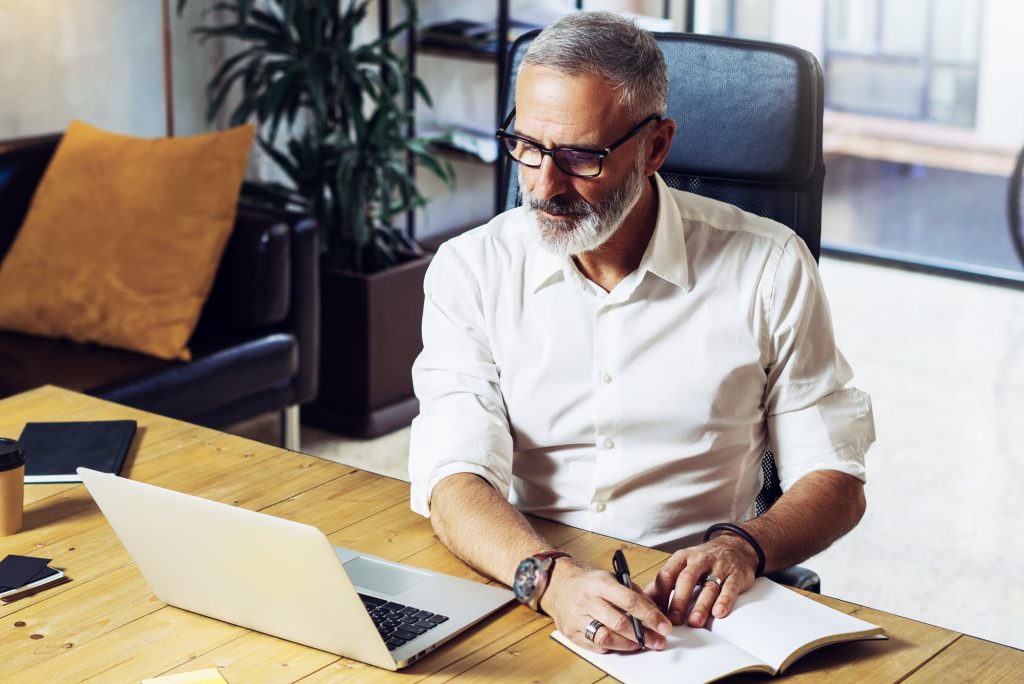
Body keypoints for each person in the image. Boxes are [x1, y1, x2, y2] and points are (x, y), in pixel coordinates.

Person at [408, 11, 875, 655]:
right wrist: (549, 580)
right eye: (529, 147)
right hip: (528, 579)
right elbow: (452, 476)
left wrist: (747, 544)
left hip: (690, 612)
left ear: (656, 146)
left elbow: (835, 476)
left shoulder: (769, 266)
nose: (545, 185)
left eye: (580, 156)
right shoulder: (471, 269)